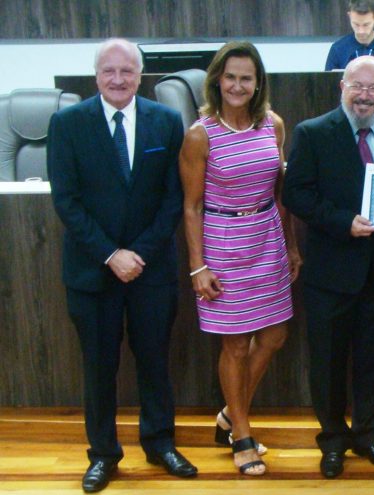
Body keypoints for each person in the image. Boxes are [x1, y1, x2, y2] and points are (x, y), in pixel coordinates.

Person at [47, 38, 197, 493]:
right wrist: (112, 254)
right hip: (93, 272)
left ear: (140, 75)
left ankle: (159, 442)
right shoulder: (67, 123)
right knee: (99, 367)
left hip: (150, 270)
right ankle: (104, 454)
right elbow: (67, 202)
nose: (118, 80)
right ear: (97, 76)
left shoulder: (167, 121)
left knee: (154, 361)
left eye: (127, 71)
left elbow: (176, 198)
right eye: (109, 71)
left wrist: (140, 254)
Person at [283, 55, 374, 478]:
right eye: (356, 86)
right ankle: (332, 440)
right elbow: (296, 195)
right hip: (330, 271)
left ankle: (369, 435)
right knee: (327, 361)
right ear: (341, 86)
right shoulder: (313, 133)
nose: (364, 95)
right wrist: (344, 222)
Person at [178, 41, 301, 476]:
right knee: (234, 342)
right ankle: (242, 433)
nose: (237, 85)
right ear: (217, 80)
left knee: (274, 336)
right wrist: (198, 265)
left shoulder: (274, 125)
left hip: (267, 237)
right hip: (222, 243)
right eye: (229, 77)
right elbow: (190, 207)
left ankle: (230, 412)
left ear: (257, 83)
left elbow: (279, 192)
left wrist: (290, 245)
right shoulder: (200, 134)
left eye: (245, 78)